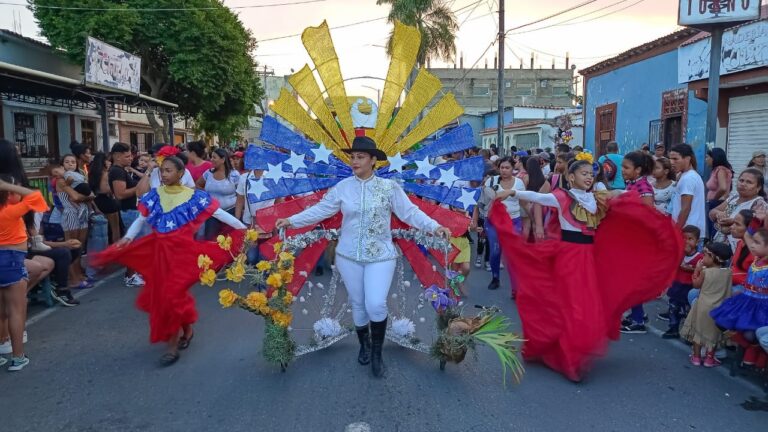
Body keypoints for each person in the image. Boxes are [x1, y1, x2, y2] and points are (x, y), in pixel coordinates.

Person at [488, 157, 682, 382]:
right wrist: (512, 193)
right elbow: (538, 197)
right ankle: (570, 359)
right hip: (569, 258)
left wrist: (641, 207)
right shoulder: (562, 196)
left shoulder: (597, 198)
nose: (589, 177)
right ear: (571, 177)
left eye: (591, 173)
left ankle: (573, 352)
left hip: (589, 258)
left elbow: (621, 196)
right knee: (573, 305)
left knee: (587, 303)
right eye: (584, 173)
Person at [275, 136, 450, 378]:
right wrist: (292, 221)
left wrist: (434, 226)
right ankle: (365, 345)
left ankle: (377, 354)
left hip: (381, 256)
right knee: (358, 304)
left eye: (360, 157)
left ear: (373, 160)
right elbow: (321, 210)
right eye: (352, 157)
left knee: (375, 303)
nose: (354, 161)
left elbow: (410, 212)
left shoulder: (390, 188)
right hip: (348, 255)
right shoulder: (343, 187)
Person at [93, 156, 247, 366]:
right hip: (159, 255)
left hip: (182, 256)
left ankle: (172, 346)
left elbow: (220, 214)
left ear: (181, 174)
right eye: (162, 171)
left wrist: (245, 230)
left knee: (171, 296)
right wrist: (128, 237)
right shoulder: (154, 195)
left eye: (168, 171)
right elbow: (141, 219)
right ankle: (187, 330)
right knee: (166, 297)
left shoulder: (194, 197)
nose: (164, 174)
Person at [0, 176, 49, 370]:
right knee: (16, 310)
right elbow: (37, 198)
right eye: (16, 190)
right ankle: (18, 356)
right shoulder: (10, 212)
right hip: (11, 259)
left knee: (1, 311)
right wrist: (7, 185)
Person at [710, 226, 768, 369]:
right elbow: (748, 235)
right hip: (745, 300)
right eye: (753, 242)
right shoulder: (756, 259)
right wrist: (755, 220)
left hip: (761, 306)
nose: (752, 245)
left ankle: (754, 352)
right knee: (722, 321)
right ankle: (750, 349)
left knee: (750, 333)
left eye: (757, 243)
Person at [471, 157, 525, 291]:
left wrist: (533, 222)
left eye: (507, 168)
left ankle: (516, 287)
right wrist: (476, 220)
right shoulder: (491, 181)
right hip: (494, 222)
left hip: (514, 220)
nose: (504, 170)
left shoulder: (519, 183)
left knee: (513, 254)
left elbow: (524, 203)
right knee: (495, 251)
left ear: (513, 169)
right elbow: (480, 203)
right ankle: (495, 278)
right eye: (502, 168)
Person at [619, 151, 657, 334]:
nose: (622, 170)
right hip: (629, 239)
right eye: (623, 167)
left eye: (626, 167)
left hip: (639, 242)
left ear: (638, 169)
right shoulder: (632, 184)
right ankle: (637, 314)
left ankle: (638, 319)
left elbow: (649, 217)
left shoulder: (644, 188)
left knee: (632, 282)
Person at [681, 242, 733, 367]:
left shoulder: (705, 272)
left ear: (714, 257)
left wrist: (697, 271)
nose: (702, 258)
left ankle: (696, 357)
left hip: (703, 306)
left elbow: (696, 285)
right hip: (719, 307)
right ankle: (710, 359)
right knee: (713, 333)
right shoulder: (728, 272)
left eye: (705, 255)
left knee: (698, 333)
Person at [108, 143, 144, 287]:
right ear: (117, 156)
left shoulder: (121, 170)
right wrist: (139, 187)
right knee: (133, 245)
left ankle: (134, 272)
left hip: (132, 210)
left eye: (131, 155)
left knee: (137, 244)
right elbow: (120, 194)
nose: (131, 159)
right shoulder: (117, 171)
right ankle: (130, 275)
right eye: (127, 156)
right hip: (128, 211)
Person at [658, 226, 703, 339]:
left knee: (688, 311)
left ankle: (689, 333)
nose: (686, 241)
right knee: (673, 308)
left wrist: (692, 269)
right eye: (683, 238)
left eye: (690, 239)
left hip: (688, 287)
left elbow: (702, 271)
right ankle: (673, 328)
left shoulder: (700, 257)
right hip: (676, 285)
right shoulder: (679, 253)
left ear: (697, 242)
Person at [54, 155, 91, 288]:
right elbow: (76, 197)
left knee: (80, 246)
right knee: (71, 247)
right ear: (62, 165)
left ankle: (79, 274)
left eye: (73, 162)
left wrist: (86, 197)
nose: (70, 164)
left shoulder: (79, 178)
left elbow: (90, 195)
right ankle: (73, 278)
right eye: (67, 162)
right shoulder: (61, 180)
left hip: (82, 212)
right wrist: (86, 197)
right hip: (70, 214)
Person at [708, 168, 767, 251]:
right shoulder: (733, 198)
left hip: (740, 249)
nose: (743, 184)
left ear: (758, 187)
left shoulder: (759, 204)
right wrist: (719, 214)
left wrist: (732, 222)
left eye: (749, 182)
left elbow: (754, 228)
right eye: (741, 180)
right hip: (720, 247)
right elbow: (711, 213)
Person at [197, 148, 241, 240]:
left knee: (230, 240)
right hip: (212, 213)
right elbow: (198, 185)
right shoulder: (208, 173)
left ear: (223, 159)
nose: (211, 159)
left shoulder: (234, 175)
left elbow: (241, 194)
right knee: (211, 239)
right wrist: (206, 197)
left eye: (214, 157)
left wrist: (238, 214)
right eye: (211, 157)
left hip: (231, 213)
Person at [669, 144, 706, 234]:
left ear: (687, 159)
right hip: (691, 231)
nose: (671, 162)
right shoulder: (689, 176)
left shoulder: (688, 178)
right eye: (670, 159)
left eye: (675, 159)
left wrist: (676, 230)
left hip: (687, 232)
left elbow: (685, 208)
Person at [88, 153, 122, 245]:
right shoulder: (106, 174)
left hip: (97, 201)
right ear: (103, 162)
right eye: (108, 160)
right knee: (115, 228)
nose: (110, 162)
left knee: (104, 229)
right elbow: (105, 189)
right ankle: (116, 247)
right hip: (108, 202)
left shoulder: (92, 173)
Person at [705, 148, 733, 239]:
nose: (706, 160)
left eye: (707, 157)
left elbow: (723, 187)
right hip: (715, 202)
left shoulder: (720, 170)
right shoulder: (716, 170)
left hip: (718, 203)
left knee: (714, 229)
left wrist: (714, 198)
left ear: (714, 158)